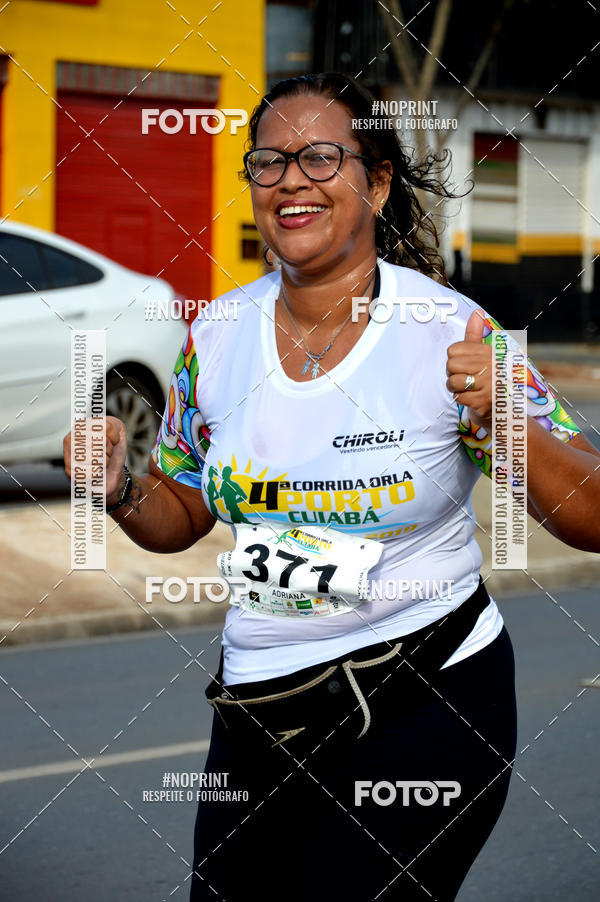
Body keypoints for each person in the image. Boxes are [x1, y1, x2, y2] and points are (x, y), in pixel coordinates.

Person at [64, 73, 600, 901]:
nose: (291, 182)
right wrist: (119, 488)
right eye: (268, 163)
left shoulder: (450, 332)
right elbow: (182, 510)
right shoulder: (218, 333)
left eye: (320, 158)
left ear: (375, 182)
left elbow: (591, 515)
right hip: (260, 708)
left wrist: (502, 417)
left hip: (427, 694)